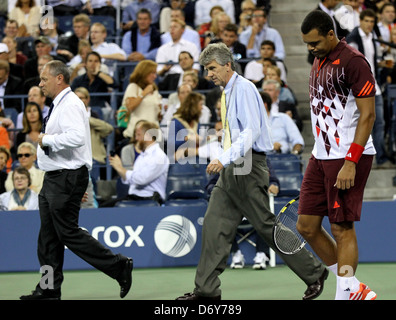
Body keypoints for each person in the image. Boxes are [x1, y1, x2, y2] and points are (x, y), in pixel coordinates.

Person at [176, 42, 328, 301]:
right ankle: (206, 291)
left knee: (266, 226)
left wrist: (223, 158)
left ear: (227, 65)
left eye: (212, 68)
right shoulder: (227, 92)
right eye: (205, 69)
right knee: (214, 226)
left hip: (247, 166)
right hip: (232, 169)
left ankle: (314, 273)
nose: (208, 74)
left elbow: (251, 131)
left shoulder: (244, 88)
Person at [19, 60, 133, 300]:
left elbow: (77, 138)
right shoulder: (60, 104)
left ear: (59, 78)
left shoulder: (70, 103)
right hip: (55, 178)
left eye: (43, 79)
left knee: (67, 233)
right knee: (48, 239)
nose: (40, 84)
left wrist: (47, 140)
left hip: (66, 177)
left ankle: (118, 266)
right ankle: (49, 289)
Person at [298, 10, 377, 300]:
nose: (311, 49)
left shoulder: (354, 62)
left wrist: (350, 161)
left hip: (347, 157)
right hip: (321, 156)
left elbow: (368, 116)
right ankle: (353, 287)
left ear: (331, 34)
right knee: (306, 226)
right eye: (307, 44)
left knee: (341, 227)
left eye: (315, 42)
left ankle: (345, 294)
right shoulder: (319, 59)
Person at [346, 9, 393, 167]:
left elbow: (373, 62)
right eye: (366, 21)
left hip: (375, 86)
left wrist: (383, 64)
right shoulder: (353, 38)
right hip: (360, 90)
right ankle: (361, 157)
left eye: (372, 22)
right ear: (360, 21)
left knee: (379, 122)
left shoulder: (372, 37)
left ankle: (379, 156)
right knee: (363, 123)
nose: (369, 25)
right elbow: (351, 65)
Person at [107, 120, 169, 206]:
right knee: (104, 206)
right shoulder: (142, 156)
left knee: (108, 207)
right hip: (135, 197)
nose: (136, 139)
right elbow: (131, 180)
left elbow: (142, 179)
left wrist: (120, 168)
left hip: (150, 198)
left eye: (138, 135)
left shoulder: (159, 156)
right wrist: (118, 167)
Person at [120, 59, 162, 140]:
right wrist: (143, 93)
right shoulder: (133, 87)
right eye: (152, 73)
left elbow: (157, 116)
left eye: (155, 73)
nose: (155, 76)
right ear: (144, 73)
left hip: (153, 135)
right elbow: (130, 107)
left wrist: (161, 111)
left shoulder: (155, 90)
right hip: (136, 135)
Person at [167, 91, 204, 160]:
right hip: (178, 159)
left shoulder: (196, 122)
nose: (202, 108)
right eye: (201, 104)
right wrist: (187, 138)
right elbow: (170, 144)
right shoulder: (176, 121)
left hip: (194, 158)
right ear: (194, 106)